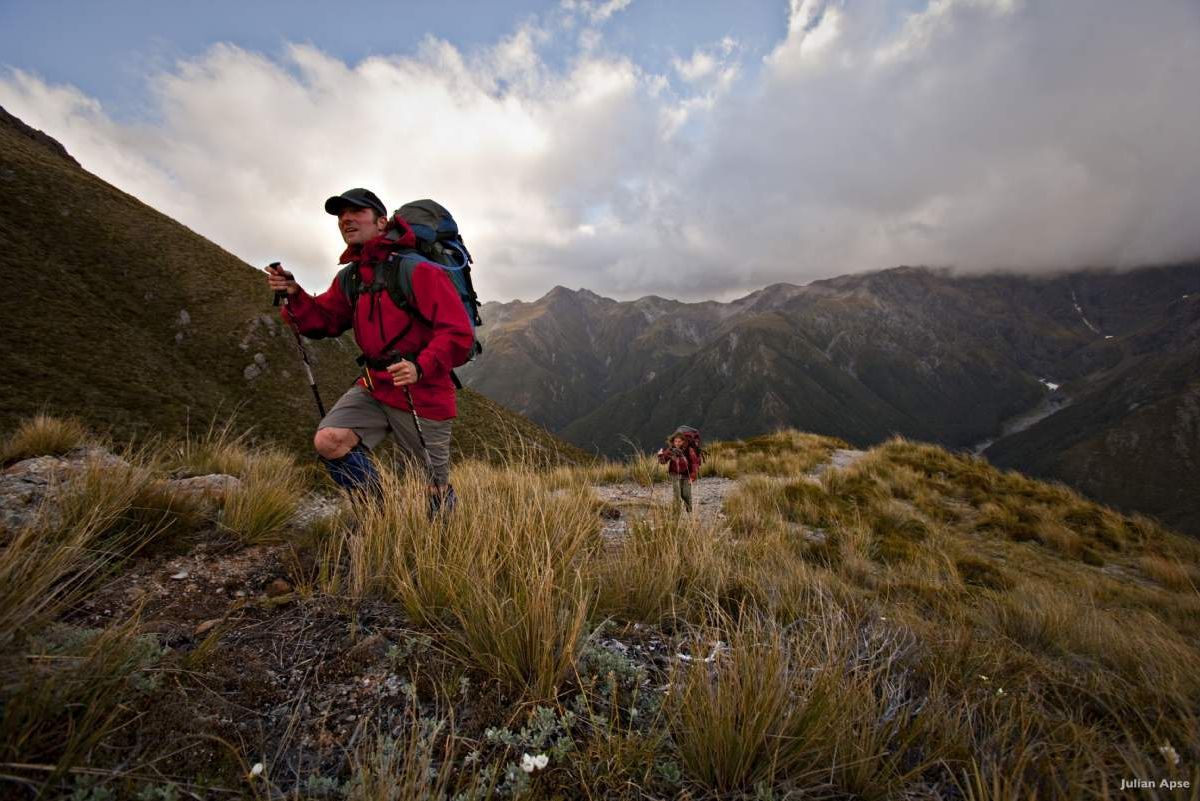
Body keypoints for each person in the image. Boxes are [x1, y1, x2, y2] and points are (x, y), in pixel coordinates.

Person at [265, 187, 474, 515]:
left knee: (431, 485)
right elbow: (324, 321)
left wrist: (420, 366)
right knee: (329, 441)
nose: (346, 219)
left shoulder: (418, 271)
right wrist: (295, 295)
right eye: (341, 215)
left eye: (357, 212)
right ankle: (379, 516)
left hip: (424, 391)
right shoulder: (352, 277)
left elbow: (459, 334)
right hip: (376, 386)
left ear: (381, 222)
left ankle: (445, 539)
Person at [657, 430, 700, 513]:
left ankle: (689, 512)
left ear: (683, 441)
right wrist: (660, 455)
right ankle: (676, 514)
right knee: (677, 495)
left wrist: (693, 476)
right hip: (674, 475)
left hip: (686, 476)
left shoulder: (689, 450)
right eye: (675, 441)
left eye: (679, 441)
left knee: (686, 495)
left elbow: (694, 463)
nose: (677, 443)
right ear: (673, 441)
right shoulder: (671, 450)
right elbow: (663, 461)